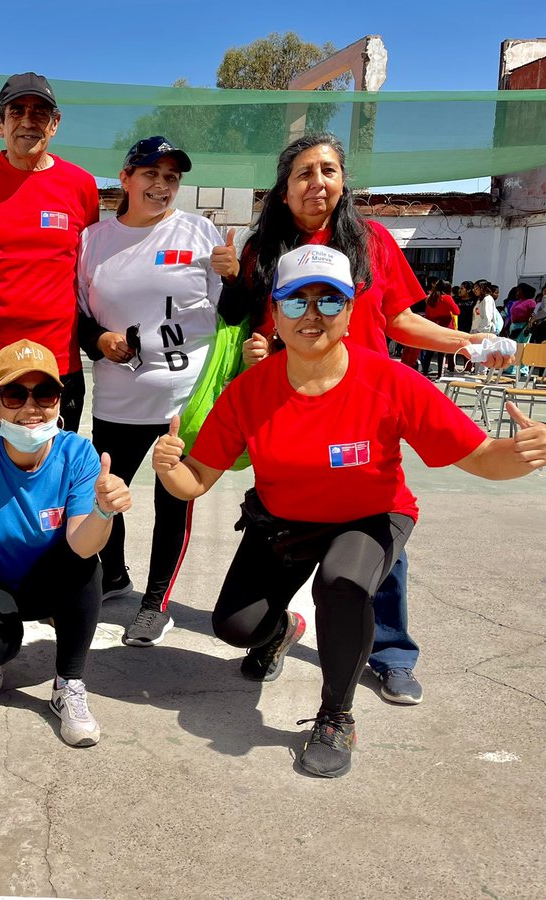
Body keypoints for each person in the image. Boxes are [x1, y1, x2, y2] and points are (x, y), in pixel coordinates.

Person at [153, 246, 546, 777]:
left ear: (351, 310)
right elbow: (196, 480)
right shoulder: (249, 391)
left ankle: (336, 715)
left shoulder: (391, 381)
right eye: (296, 302)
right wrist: (169, 468)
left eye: (329, 300)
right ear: (276, 312)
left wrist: (522, 455)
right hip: (283, 521)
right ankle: (281, 631)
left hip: (370, 515)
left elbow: (479, 456)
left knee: (342, 584)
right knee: (236, 627)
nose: (312, 314)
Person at [217, 132, 513, 707]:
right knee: (285, 527)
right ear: (284, 189)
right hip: (293, 410)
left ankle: (392, 653)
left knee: (376, 532)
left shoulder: (372, 241)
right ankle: (275, 629)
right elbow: (256, 325)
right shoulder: (262, 250)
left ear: (343, 182)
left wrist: (468, 342)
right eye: (304, 173)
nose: (317, 183)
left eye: (328, 170)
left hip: (368, 408)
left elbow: (400, 320)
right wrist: (255, 346)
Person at [0, 340, 133, 747]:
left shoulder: (78, 453)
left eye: (45, 393)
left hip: (48, 581)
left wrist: (103, 511)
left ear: (60, 401)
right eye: (15, 395)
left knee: (86, 568)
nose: (31, 407)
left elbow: (83, 545)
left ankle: (68, 683)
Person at [77, 135, 238, 645]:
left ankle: (155, 603)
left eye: (171, 177)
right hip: (118, 398)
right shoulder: (92, 241)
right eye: (150, 173)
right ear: (126, 178)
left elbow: (233, 311)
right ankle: (114, 577)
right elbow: (78, 317)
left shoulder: (200, 231)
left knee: (173, 499)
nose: (161, 185)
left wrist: (235, 277)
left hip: (182, 400)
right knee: (105, 491)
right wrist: (99, 341)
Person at [0, 72, 100, 434]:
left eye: (40, 112)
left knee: (51, 464)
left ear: (55, 124)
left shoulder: (81, 185)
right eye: (17, 111)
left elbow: (87, 270)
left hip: (56, 361)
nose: (28, 121)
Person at [423, 282, 460, 377]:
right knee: (442, 352)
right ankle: (440, 374)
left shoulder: (430, 298)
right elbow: (456, 311)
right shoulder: (447, 298)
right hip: (445, 326)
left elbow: (428, 314)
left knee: (429, 352)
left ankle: (425, 372)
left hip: (433, 326)